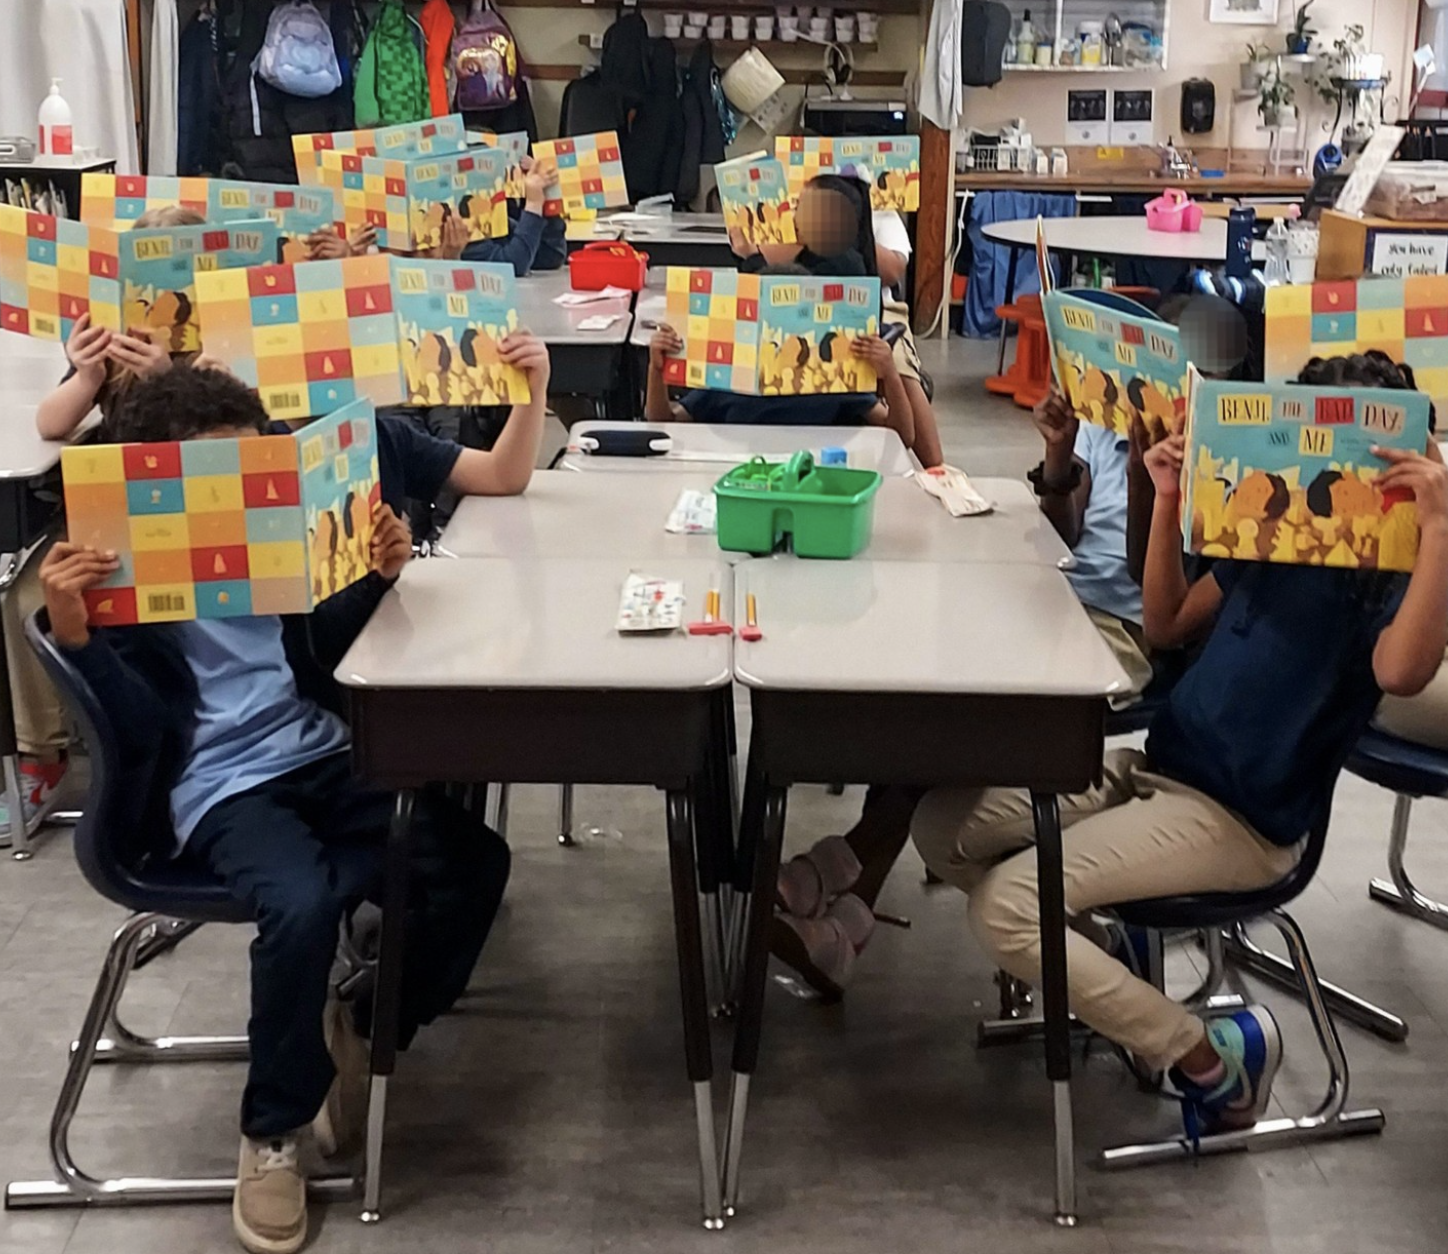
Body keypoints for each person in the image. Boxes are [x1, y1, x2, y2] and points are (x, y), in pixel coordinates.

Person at [910, 351, 1448, 1137]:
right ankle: (1111, 979)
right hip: (1159, 770)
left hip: (1242, 822)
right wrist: (1167, 497)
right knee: (942, 828)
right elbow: (1163, 623)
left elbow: (1402, 671)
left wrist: (1436, 527)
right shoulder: (1276, 535)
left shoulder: (1386, 571)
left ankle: (1209, 1056)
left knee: (1007, 908)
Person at [39, 364, 512, 1254]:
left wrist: (374, 573)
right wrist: (78, 635)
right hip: (218, 784)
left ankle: (367, 1031)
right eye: (205, 480)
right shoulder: (117, 575)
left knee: (473, 863)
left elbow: (325, 655)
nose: (231, 499)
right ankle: (272, 1136)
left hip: (319, 754)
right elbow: (136, 731)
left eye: (246, 474)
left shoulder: (283, 538)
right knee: (299, 904)